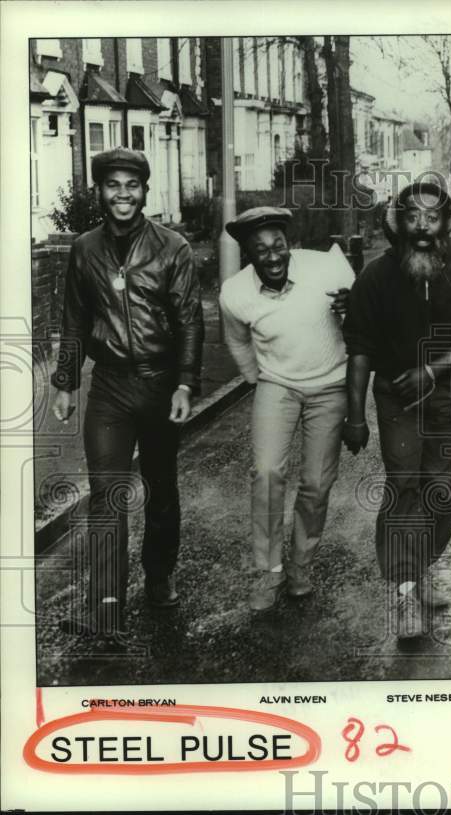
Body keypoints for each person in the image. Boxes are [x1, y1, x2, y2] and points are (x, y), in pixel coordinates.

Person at [51, 148, 204, 637]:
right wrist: (66, 382)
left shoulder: (172, 247)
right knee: (106, 495)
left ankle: (158, 578)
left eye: (131, 185)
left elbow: (189, 320)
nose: (122, 194)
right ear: (100, 190)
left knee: (161, 490)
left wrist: (185, 381)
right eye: (112, 185)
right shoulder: (84, 248)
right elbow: (73, 317)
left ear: (144, 190)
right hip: (110, 387)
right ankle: (107, 604)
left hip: (160, 385)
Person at [342, 182, 451, 639]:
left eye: (432, 216)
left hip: (448, 394)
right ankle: (406, 590)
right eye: (412, 217)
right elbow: (360, 349)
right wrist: (355, 415)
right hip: (396, 396)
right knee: (404, 485)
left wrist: (432, 370)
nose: (422, 227)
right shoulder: (375, 276)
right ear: (397, 222)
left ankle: (422, 566)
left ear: (447, 219)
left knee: (440, 491)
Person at [219, 207, 355, 612]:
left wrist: (353, 308)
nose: (273, 256)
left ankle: (300, 566)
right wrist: (254, 380)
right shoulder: (235, 292)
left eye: (278, 245)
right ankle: (269, 571)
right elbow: (239, 341)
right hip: (276, 384)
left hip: (331, 384)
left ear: (289, 243)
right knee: (266, 473)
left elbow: (366, 323)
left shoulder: (329, 269)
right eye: (260, 250)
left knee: (315, 483)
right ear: (248, 254)